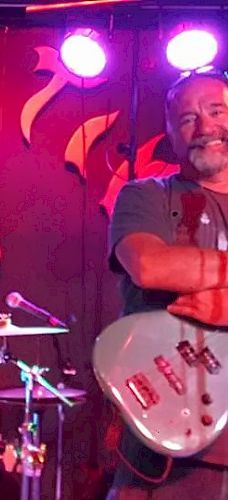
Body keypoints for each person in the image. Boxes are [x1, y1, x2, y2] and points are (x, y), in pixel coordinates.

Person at [106, 69, 228, 499]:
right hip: (162, 444)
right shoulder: (147, 195)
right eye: (187, 118)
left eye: (216, 111)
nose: (206, 126)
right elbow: (150, 267)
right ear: (172, 136)